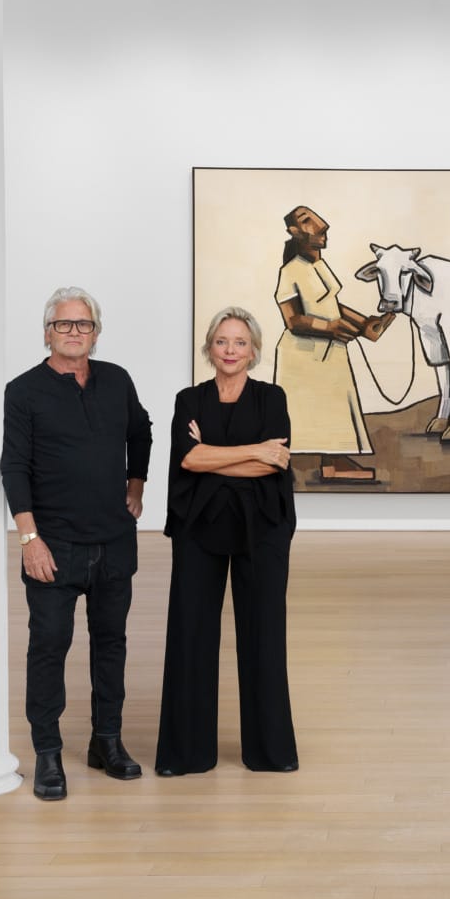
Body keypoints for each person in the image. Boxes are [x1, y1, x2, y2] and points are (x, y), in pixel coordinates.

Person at [0, 287, 152, 802]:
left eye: (83, 325)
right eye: (64, 325)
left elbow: (142, 431)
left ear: (96, 332)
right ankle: (47, 752)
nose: (74, 333)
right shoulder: (22, 391)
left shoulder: (116, 380)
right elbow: (13, 467)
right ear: (47, 332)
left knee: (111, 646)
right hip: (54, 545)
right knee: (49, 647)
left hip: (113, 541)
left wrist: (136, 486)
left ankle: (106, 741)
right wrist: (29, 538)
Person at [156, 307, 299, 775]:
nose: (230, 350)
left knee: (263, 636)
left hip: (263, 525)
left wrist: (217, 455)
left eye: (239, 342)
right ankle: (186, 754)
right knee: (190, 634)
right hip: (200, 524)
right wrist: (252, 450)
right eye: (222, 341)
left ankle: (269, 753)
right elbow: (188, 461)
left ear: (253, 349)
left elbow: (273, 464)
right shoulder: (189, 399)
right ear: (209, 349)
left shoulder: (271, 397)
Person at [272, 205, 394, 482]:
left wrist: (365, 325)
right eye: (306, 220)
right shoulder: (291, 271)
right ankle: (280, 464)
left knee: (336, 404)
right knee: (297, 408)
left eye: (316, 218)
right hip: (302, 354)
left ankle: (334, 462)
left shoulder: (318, 265)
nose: (320, 225)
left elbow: (332, 305)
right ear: (294, 232)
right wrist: (329, 328)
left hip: (329, 348)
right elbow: (292, 319)